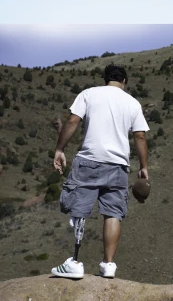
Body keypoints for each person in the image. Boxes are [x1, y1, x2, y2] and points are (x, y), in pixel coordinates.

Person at [51, 64, 149, 279]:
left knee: (79, 208)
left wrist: (59, 149)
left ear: (105, 79)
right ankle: (108, 265)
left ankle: (75, 262)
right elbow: (140, 136)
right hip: (119, 166)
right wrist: (143, 167)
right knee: (113, 213)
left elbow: (73, 121)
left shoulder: (88, 94)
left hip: (89, 161)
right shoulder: (132, 103)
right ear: (124, 81)